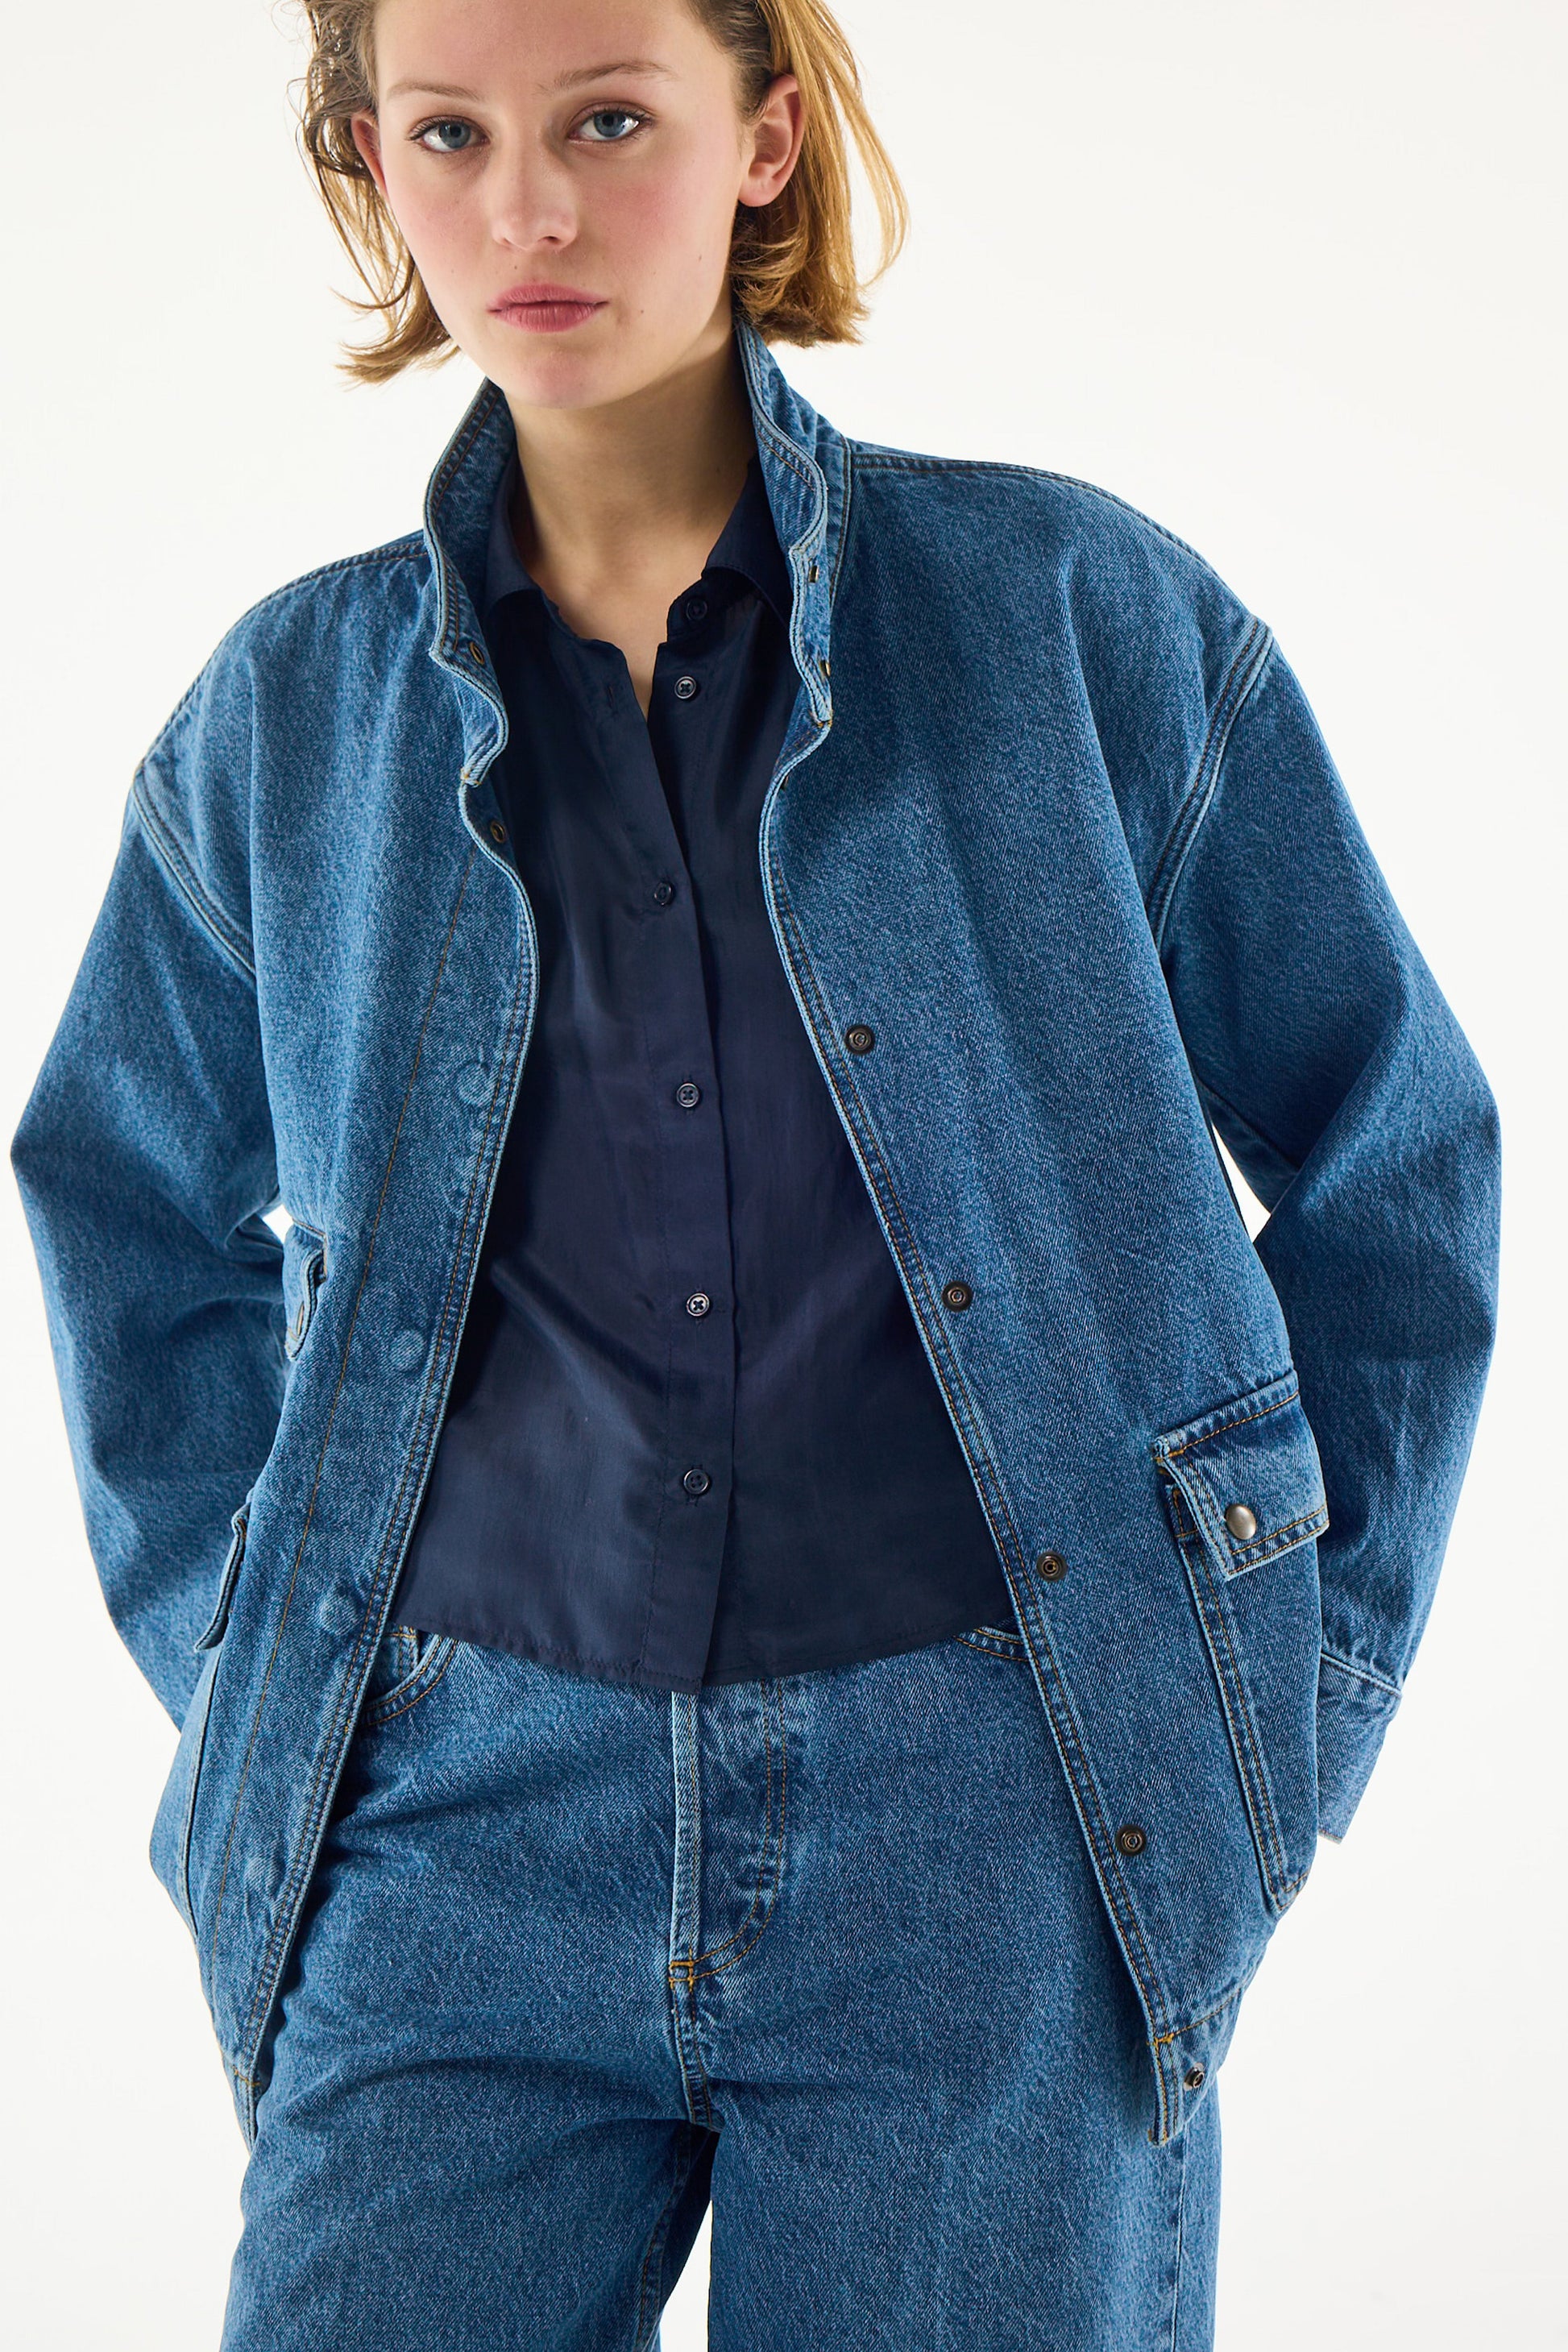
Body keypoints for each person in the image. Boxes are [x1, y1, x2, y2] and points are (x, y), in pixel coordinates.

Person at [10, 0, 1501, 2344]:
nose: (528, 206)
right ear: (371, 167)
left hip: (988, 1830)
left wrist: (1271, 1693)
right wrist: (267, 1659)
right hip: (454, 1832)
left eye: (610, 118)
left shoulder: (1072, 621)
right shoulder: (287, 722)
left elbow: (1394, 1156)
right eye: (447, 133)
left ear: (767, 141)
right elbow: (120, 1203)